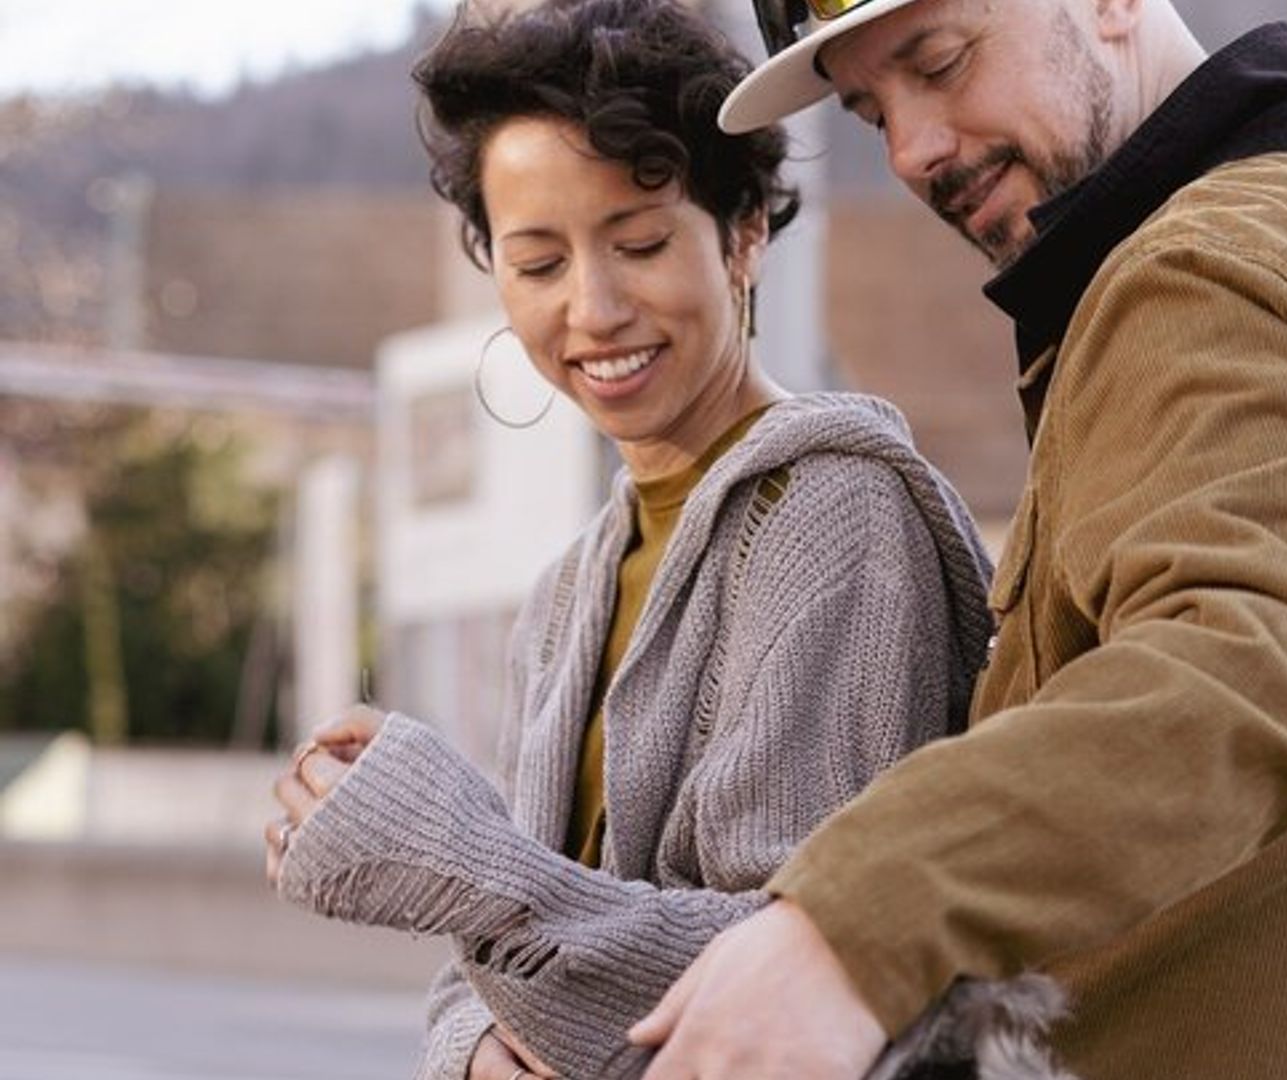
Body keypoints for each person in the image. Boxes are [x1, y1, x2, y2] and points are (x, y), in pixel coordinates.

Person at [627, 1, 1287, 1078]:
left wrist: (846, 929)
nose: (913, 150)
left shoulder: (1204, 273)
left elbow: (1244, 679)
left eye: (941, 62)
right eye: (872, 112)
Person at [260, 2, 997, 1078]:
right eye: (538, 264)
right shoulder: (569, 592)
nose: (594, 309)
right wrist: (472, 1051)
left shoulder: (835, 513)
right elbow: (487, 969)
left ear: (744, 232)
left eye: (640, 244)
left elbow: (802, 973)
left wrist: (446, 849)